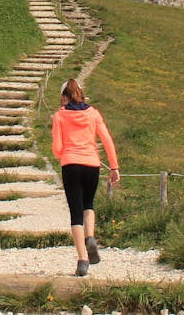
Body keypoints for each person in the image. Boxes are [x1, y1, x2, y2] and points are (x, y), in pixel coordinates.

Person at [51, 78, 120, 276]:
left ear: (64, 97)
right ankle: (90, 237)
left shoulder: (60, 116)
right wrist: (114, 167)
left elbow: (56, 148)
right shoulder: (93, 113)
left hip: (71, 163)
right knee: (88, 205)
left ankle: (82, 260)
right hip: (92, 164)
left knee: (75, 212)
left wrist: (62, 153)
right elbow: (106, 140)